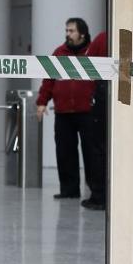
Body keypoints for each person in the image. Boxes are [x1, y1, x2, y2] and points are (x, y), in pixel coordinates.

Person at [37, 17, 104, 209]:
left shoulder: (93, 52)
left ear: (82, 33)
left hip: (88, 111)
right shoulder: (59, 53)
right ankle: (69, 189)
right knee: (65, 152)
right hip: (63, 111)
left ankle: (95, 189)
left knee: (91, 153)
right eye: (66, 31)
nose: (68, 34)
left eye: (71, 31)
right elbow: (49, 80)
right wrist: (42, 102)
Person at [87, 30, 133, 205]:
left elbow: (87, 68)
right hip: (129, 98)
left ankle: (100, 196)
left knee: (99, 149)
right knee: (125, 148)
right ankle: (124, 197)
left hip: (103, 98)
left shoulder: (102, 38)